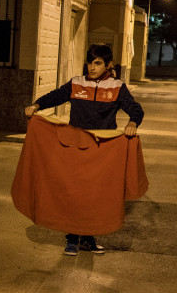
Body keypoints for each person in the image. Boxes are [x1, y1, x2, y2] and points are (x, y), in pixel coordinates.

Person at [24, 44, 144, 256]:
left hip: (101, 151)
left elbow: (135, 108)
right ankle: (72, 238)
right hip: (75, 147)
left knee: (95, 196)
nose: (92, 67)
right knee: (74, 193)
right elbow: (56, 96)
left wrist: (133, 122)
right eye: (90, 62)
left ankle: (88, 238)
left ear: (108, 65)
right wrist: (36, 105)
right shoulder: (77, 83)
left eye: (97, 63)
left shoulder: (117, 86)